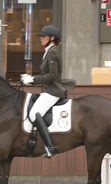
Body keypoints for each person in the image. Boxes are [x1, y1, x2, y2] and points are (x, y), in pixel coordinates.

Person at [21, 24, 65, 158]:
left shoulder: (52, 52)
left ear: (52, 38)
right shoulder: (49, 51)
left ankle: (50, 147)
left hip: (53, 90)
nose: (41, 39)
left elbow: (52, 75)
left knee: (34, 113)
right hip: (47, 89)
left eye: (43, 37)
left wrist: (32, 79)